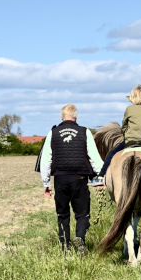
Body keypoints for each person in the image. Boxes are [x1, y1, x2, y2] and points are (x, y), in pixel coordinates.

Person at [36, 103, 104, 254]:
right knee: (82, 213)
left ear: (61, 117)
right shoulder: (84, 132)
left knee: (62, 214)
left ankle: (65, 247)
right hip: (79, 178)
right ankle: (79, 238)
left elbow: (45, 160)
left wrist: (46, 183)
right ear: (76, 116)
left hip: (60, 179)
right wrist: (102, 178)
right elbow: (94, 158)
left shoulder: (52, 133)